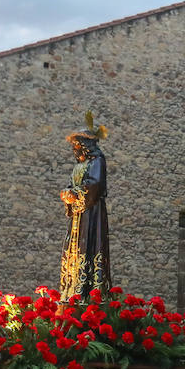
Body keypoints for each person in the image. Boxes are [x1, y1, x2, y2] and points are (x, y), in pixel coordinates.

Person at [58, 120, 112, 299]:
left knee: (89, 246)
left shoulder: (97, 161)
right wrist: (67, 193)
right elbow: (73, 183)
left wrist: (76, 194)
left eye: (77, 145)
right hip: (78, 214)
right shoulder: (79, 165)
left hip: (91, 212)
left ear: (86, 146)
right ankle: (73, 286)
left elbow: (95, 184)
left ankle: (90, 289)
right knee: (75, 249)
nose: (75, 150)